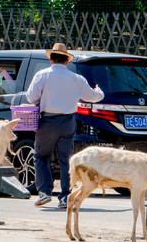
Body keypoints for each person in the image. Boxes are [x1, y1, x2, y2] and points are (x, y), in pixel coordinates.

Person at [25, 42, 104, 209]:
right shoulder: (77, 79)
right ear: (67, 61)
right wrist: (100, 90)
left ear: (51, 59)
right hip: (68, 122)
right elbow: (94, 97)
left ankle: (45, 193)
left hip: (47, 122)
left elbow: (31, 98)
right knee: (66, 160)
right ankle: (65, 196)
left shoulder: (42, 75)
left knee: (41, 156)